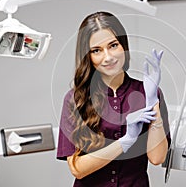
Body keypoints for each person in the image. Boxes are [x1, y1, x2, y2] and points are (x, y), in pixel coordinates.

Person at [56, 11, 171, 187]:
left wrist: (152, 101)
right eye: (96, 50)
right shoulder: (75, 100)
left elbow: (157, 158)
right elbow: (77, 169)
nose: (108, 57)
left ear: (123, 46)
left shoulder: (148, 91)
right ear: (88, 56)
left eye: (113, 45)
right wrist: (125, 141)